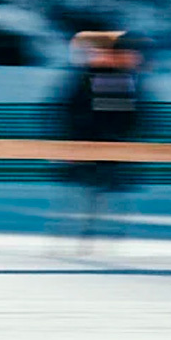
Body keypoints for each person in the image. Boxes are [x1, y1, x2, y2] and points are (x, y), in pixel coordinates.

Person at [55, 30, 147, 239]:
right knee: (92, 201)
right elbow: (112, 116)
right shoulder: (108, 78)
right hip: (98, 152)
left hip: (100, 152)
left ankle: (87, 238)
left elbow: (119, 116)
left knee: (92, 201)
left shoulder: (103, 77)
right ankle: (88, 238)